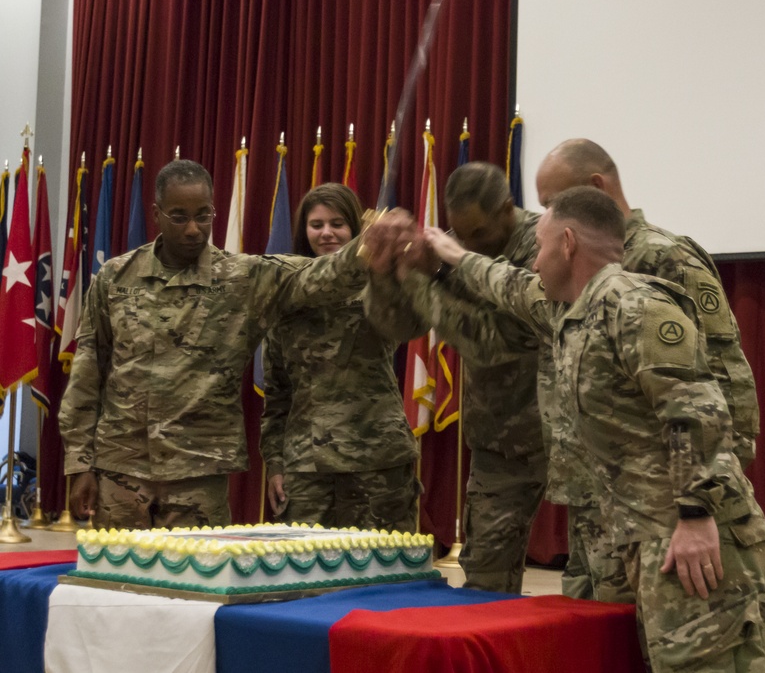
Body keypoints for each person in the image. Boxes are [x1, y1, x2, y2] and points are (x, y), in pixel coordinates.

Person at [420, 186, 765, 672]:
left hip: (685, 534)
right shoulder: (571, 309)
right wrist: (452, 257)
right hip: (635, 532)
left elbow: (697, 413)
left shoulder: (636, 305)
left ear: (567, 243)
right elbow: (508, 283)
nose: (535, 263)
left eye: (540, 248)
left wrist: (695, 514)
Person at [59, 160, 368, 530]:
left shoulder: (242, 278)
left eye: (203, 216)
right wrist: (80, 464)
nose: (193, 229)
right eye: (179, 217)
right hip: (121, 470)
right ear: (156, 214)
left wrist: (369, 247)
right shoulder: (116, 277)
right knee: (118, 585)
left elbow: (318, 277)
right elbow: (88, 373)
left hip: (199, 474)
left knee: (194, 583)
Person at [364, 161, 547, 594]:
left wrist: (427, 277)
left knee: (595, 581)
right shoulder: (452, 247)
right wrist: (386, 272)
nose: (467, 244)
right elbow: (397, 327)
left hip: (568, 436)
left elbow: (497, 340)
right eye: (459, 233)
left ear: (507, 209)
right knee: (485, 576)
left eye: (479, 233)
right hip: (501, 440)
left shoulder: (543, 244)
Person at [260, 183, 419, 531]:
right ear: (304, 231)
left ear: (355, 229)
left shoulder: (379, 280)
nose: (327, 233)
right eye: (316, 225)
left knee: (382, 572)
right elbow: (277, 393)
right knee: (305, 577)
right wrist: (275, 463)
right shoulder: (285, 290)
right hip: (307, 465)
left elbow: (409, 325)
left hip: (376, 457)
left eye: (337, 223)